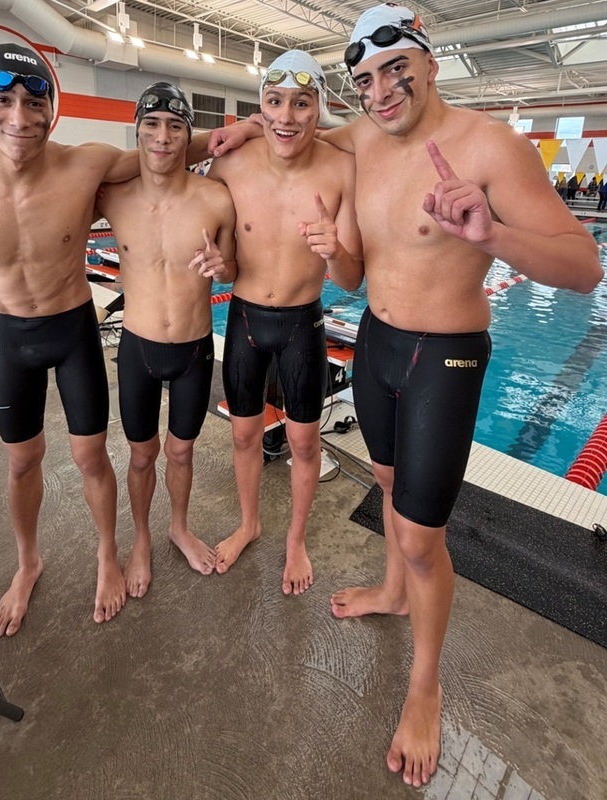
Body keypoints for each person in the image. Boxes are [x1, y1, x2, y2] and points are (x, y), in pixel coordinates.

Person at [239, 4, 600, 788]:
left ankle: (425, 688)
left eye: (392, 69)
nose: (379, 89)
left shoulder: (490, 147)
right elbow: (286, 129)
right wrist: (222, 133)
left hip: (446, 359)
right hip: (374, 344)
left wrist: (489, 235)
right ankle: (393, 596)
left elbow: (582, 267)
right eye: (363, 79)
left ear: (429, 63)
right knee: (389, 488)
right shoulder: (361, 138)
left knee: (421, 537)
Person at [0, 42, 258, 637]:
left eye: (33, 101)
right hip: (9, 334)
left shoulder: (85, 166)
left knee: (91, 456)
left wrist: (250, 125)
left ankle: (107, 554)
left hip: (73, 332)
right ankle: (28, 562)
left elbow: (162, 150)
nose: (20, 117)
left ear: (51, 108)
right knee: (22, 461)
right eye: (4, 99)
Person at [205, 50, 363, 595]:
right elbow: (223, 258)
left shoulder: (341, 169)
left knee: (303, 443)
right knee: (245, 433)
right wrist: (214, 266)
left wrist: (335, 249)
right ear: (261, 107)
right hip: (244, 316)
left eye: (302, 103)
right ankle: (249, 524)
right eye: (274, 102)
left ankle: (295, 540)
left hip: (303, 324)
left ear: (320, 106)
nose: (287, 117)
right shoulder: (232, 163)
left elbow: (349, 278)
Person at [94, 83, 237, 597]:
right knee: (140, 454)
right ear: (136, 131)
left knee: (182, 451)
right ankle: (140, 539)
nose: (163, 136)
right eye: (151, 125)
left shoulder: (215, 199)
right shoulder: (112, 197)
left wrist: (225, 267)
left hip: (195, 349)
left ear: (187, 134)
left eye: (175, 126)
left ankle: (178, 527)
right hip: (138, 348)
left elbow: (233, 267)